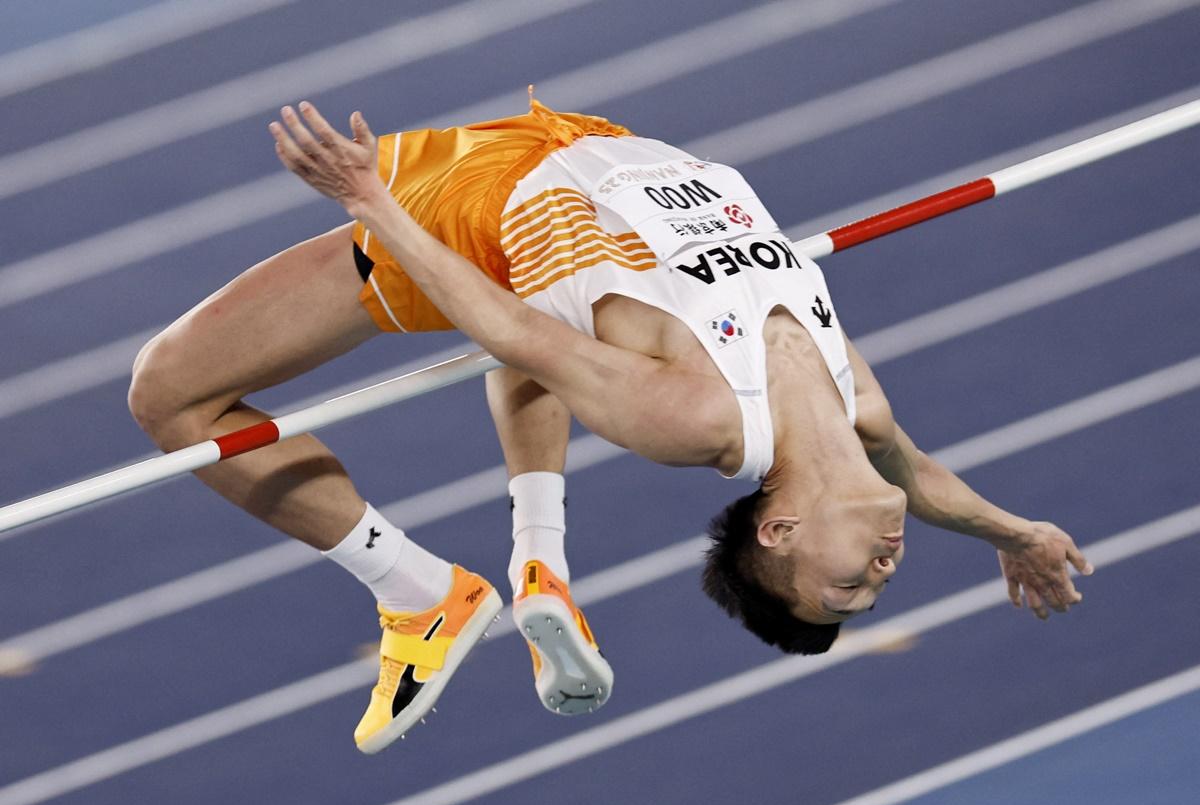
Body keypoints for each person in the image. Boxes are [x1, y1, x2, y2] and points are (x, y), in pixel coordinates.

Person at [128, 95, 1092, 754]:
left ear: (781, 528)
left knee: (170, 394)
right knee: (558, 328)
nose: (880, 570)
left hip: (480, 209)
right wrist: (1020, 534)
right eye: (880, 582)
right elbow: (925, 485)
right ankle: (532, 561)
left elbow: (507, 328)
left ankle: (417, 590)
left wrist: (371, 202)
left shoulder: (698, 419)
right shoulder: (857, 409)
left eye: (847, 586)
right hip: (588, 147)